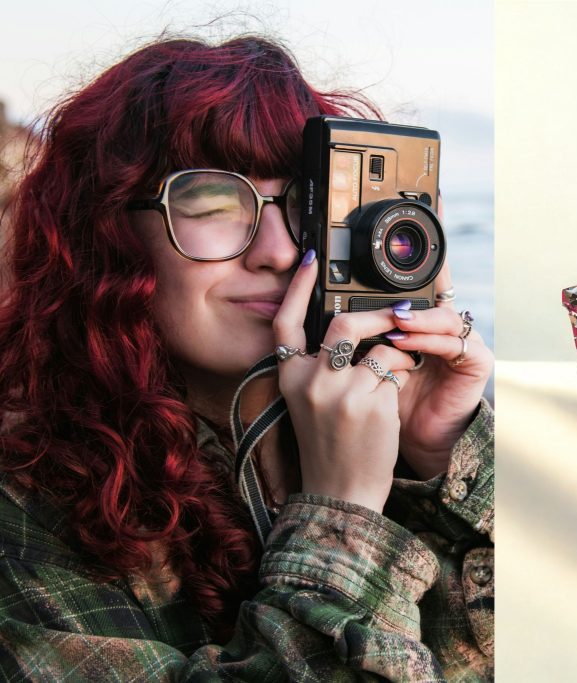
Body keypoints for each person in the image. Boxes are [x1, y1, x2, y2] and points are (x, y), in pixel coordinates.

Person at [0, 35, 493, 681]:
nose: (280, 251)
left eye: (306, 204)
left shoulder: (372, 421)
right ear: (106, 235)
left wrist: (446, 463)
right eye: (214, 203)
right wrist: (340, 518)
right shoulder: (24, 498)